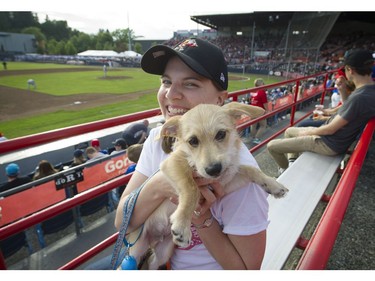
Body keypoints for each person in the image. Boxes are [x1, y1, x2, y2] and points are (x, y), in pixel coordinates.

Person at [107, 38, 268, 270]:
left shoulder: (240, 174)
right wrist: (162, 183)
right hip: (151, 258)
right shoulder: (158, 139)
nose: (172, 94)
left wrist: (201, 217)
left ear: (220, 99)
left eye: (190, 84)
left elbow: (247, 270)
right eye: (166, 81)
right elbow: (121, 221)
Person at [267, 49, 375, 175]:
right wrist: (342, 90)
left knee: (272, 146)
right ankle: (292, 163)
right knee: (289, 131)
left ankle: (285, 172)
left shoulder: (359, 97)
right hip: (335, 140)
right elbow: (349, 109)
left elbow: (330, 130)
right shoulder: (367, 91)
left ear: (350, 70)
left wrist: (308, 132)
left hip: (328, 143)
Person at [249, 78, 269, 144]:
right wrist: (267, 110)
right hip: (260, 110)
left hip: (252, 110)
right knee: (263, 125)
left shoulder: (252, 91)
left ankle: (252, 137)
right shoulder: (261, 91)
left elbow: (250, 100)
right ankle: (256, 138)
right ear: (261, 84)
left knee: (253, 125)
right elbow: (265, 103)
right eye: (263, 83)